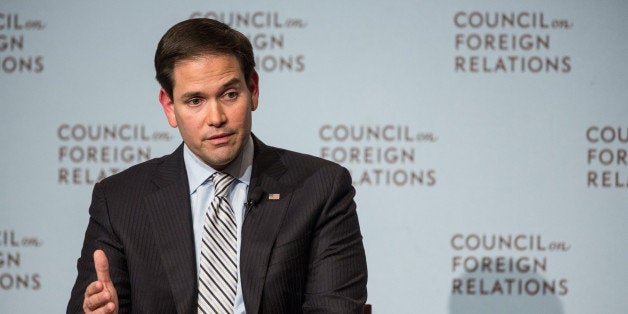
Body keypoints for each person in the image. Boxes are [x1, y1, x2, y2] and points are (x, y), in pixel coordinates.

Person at [67, 18, 367, 313]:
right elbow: (93, 306)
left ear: (253, 89)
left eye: (229, 94)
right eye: (195, 101)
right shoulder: (120, 200)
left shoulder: (320, 188)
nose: (216, 118)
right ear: (169, 107)